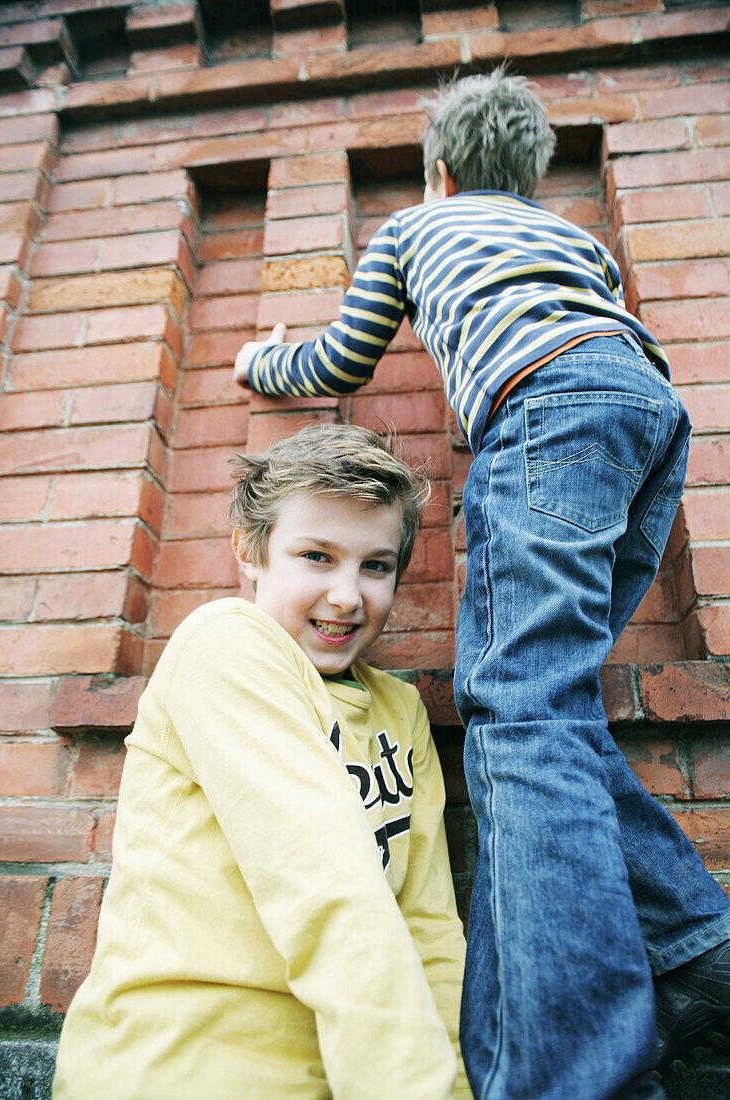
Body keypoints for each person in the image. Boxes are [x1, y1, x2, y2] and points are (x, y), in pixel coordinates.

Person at [234, 69, 730, 1100]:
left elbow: (346, 352)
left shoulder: (416, 228)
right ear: (530, 171)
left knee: (517, 712)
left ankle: (568, 1069)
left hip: (540, 412)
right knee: (548, 702)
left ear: (443, 169)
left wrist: (263, 360)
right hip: (645, 417)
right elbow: (600, 343)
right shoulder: (578, 244)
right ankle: (690, 944)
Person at [52, 423, 473, 1099]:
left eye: (374, 565)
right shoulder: (226, 645)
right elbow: (326, 885)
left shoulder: (398, 711)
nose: (346, 595)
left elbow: (426, 925)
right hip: (180, 1070)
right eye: (315, 555)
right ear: (249, 551)